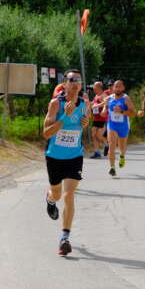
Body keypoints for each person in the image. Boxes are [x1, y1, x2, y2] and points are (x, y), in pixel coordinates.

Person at [43, 70, 90, 255]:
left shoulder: (85, 104)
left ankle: (65, 238)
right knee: (56, 193)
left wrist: (85, 123)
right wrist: (64, 117)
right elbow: (46, 133)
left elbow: (82, 124)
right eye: (72, 80)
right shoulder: (56, 104)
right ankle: (49, 199)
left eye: (79, 80)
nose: (76, 83)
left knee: (69, 195)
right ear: (64, 83)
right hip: (54, 156)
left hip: (74, 156)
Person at [105, 79, 136, 176]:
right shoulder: (109, 98)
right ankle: (112, 167)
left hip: (123, 126)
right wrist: (103, 111)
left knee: (122, 147)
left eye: (119, 86)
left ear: (123, 88)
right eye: (116, 86)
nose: (117, 88)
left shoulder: (126, 99)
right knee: (111, 145)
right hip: (112, 125)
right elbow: (104, 110)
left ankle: (122, 156)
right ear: (113, 88)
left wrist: (122, 111)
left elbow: (133, 113)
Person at [90, 80, 107, 159]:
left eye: (94, 86)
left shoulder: (103, 95)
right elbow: (94, 103)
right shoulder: (96, 95)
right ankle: (97, 152)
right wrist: (90, 104)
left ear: (99, 87)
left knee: (98, 135)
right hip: (96, 118)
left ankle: (107, 145)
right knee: (93, 135)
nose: (93, 88)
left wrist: (97, 105)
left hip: (102, 118)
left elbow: (105, 103)